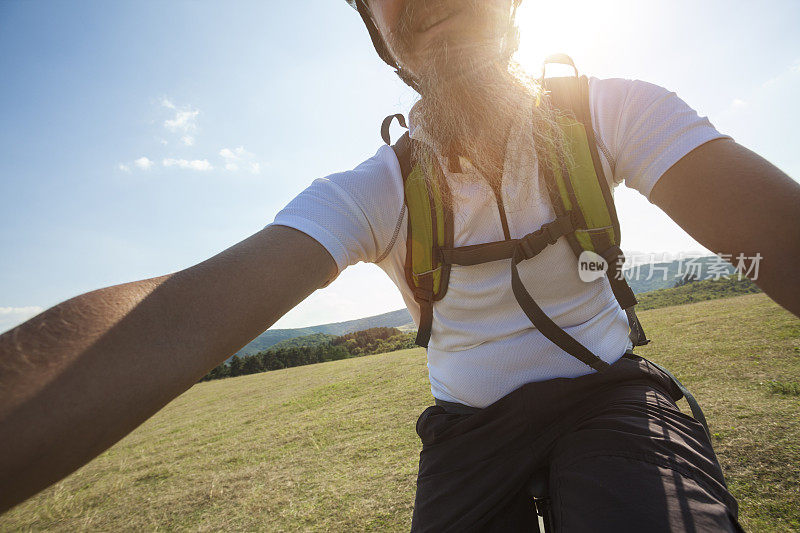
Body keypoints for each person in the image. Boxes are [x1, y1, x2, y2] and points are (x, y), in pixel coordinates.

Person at [0, 0, 798, 530]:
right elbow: (173, 316)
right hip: (467, 434)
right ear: (384, 40)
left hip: (612, 396)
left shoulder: (614, 113)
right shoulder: (374, 192)